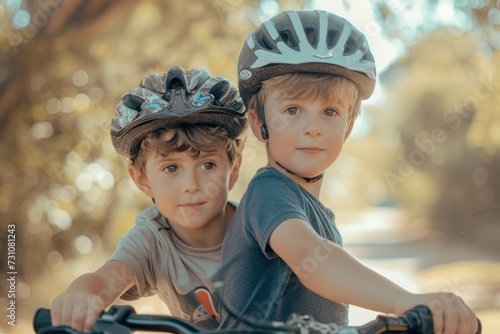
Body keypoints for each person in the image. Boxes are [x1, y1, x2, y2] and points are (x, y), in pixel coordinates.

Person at [219, 10, 479, 334]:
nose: (313, 127)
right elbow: (309, 258)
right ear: (260, 123)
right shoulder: (268, 192)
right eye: (292, 110)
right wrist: (406, 300)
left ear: (348, 126)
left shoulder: (315, 213)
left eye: (330, 111)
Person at [50, 66, 247, 332]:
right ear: (142, 180)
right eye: (171, 168)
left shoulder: (260, 225)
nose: (191, 186)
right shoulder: (152, 240)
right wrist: (83, 296)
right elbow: (106, 279)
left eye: (208, 165)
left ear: (232, 171)